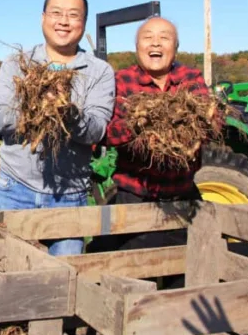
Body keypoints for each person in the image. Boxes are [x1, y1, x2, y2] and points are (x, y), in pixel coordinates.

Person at [0, 0, 116, 255]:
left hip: (69, 195)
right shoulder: (17, 63)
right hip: (14, 188)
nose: (63, 21)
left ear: (83, 23)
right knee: (0, 272)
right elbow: (1, 119)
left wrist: (70, 115)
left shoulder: (100, 72)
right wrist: (35, 108)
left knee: (66, 280)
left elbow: (96, 129)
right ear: (43, 18)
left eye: (73, 15)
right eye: (56, 12)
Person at [89, 16, 209, 255]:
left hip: (182, 197)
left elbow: (210, 121)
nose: (155, 43)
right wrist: (141, 126)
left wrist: (184, 131)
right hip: (134, 197)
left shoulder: (190, 78)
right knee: (133, 270)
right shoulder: (121, 81)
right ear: (137, 47)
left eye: (164, 38)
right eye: (148, 38)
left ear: (175, 48)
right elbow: (107, 133)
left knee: (185, 272)